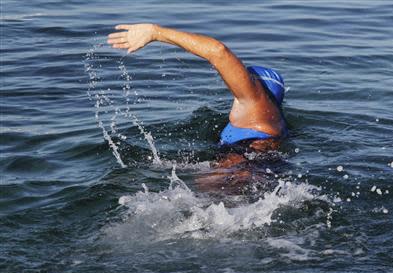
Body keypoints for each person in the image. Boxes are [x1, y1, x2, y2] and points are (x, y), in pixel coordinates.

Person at [107, 24, 287, 168]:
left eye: (248, 79)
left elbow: (219, 52)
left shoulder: (255, 101)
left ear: (258, 86)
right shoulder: (274, 120)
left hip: (241, 168)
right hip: (252, 167)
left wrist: (156, 33)